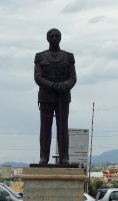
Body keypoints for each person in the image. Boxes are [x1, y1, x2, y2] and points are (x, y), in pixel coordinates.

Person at [34, 28, 77, 164]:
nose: (54, 38)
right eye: (51, 36)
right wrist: (52, 85)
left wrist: (64, 85)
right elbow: (38, 77)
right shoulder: (40, 56)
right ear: (47, 39)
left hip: (62, 98)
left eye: (56, 36)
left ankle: (64, 157)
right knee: (45, 128)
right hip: (46, 97)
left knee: (63, 128)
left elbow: (73, 77)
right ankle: (44, 157)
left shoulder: (68, 56)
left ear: (60, 38)